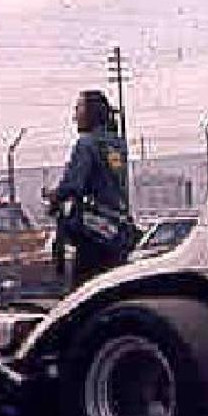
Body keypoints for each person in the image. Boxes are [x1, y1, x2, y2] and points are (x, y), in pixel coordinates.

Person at [48, 90, 133, 288]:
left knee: (85, 288)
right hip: (116, 230)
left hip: (93, 232)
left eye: (79, 109)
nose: (75, 116)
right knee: (111, 287)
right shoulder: (117, 144)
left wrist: (55, 196)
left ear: (91, 113)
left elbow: (74, 184)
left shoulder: (86, 144)